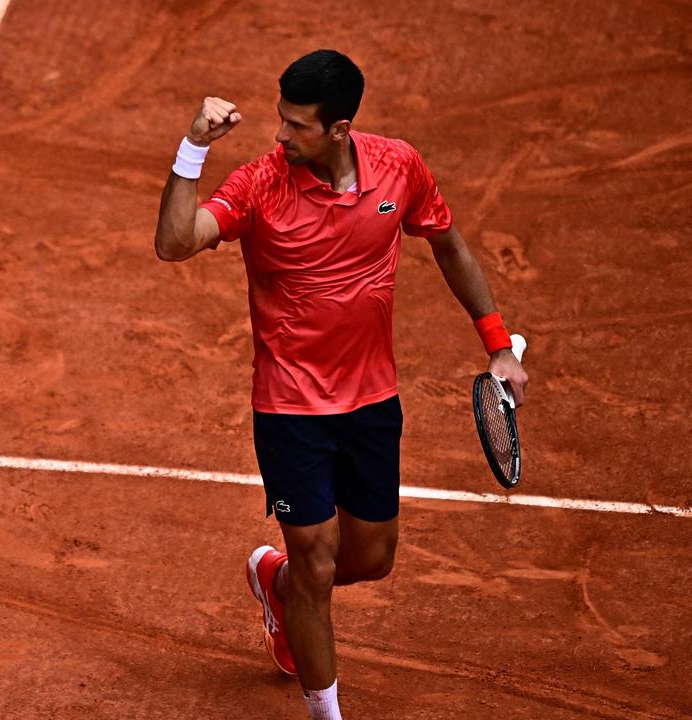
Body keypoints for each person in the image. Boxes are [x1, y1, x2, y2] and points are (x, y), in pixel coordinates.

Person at [152, 49, 529, 719]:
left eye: (296, 126)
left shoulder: (398, 169)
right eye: (280, 120)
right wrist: (191, 150)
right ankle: (325, 710)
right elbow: (176, 242)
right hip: (289, 406)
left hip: (372, 400)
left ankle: (276, 582)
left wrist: (499, 346)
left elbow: (448, 243)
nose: (280, 136)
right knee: (320, 562)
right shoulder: (259, 184)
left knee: (371, 558)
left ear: (338, 128)